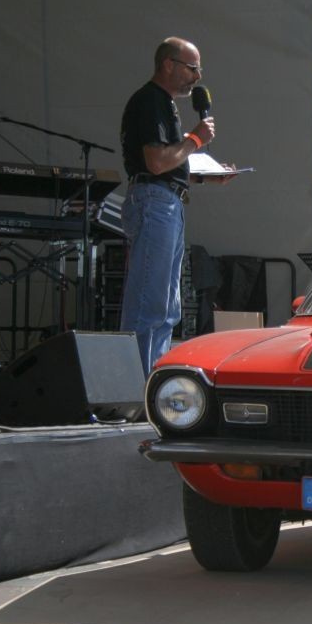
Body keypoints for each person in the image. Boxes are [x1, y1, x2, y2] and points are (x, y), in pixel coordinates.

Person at [119, 36, 234, 376]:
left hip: (165, 202)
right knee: (150, 302)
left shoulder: (163, 103)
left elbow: (167, 163)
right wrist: (195, 139)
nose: (197, 77)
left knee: (167, 306)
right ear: (168, 64)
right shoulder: (150, 101)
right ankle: (136, 384)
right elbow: (156, 162)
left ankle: (151, 379)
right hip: (155, 202)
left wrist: (203, 177)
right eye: (192, 68)